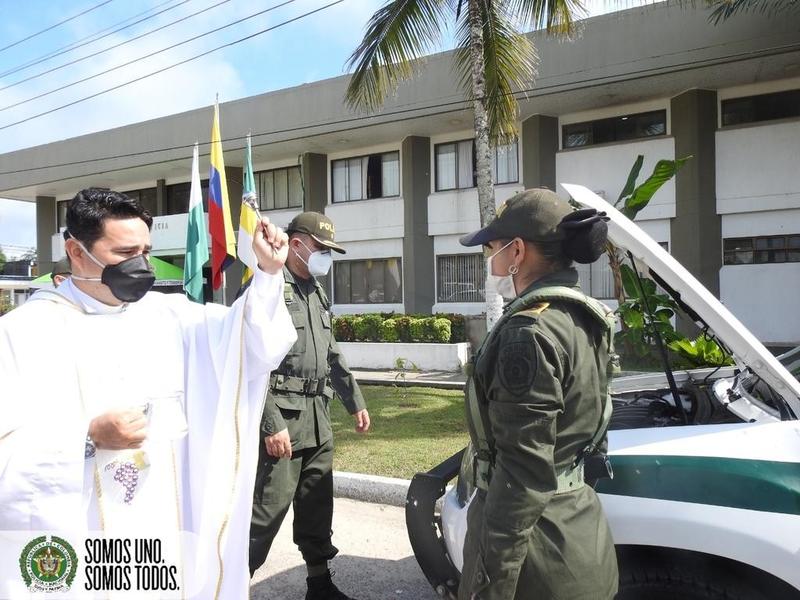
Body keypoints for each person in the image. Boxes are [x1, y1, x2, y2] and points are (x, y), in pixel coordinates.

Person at [0, 188, 297, 599]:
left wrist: (267, 272)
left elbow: (249, 345)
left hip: (161, 529)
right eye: (124, 253)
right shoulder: (24, 333)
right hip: (83, 538)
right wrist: (87, 439)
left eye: (146, 249)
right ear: (76, 250)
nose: (140, 264)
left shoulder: (168, 316)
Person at [457, 188, 619, 600]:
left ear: (517, 252)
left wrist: (489, 585)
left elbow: (521, 475)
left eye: (492, 247)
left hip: (538, 559)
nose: (489, 258)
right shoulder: (581, 315)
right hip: (578, 532)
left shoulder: (528, 333)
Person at [249, 211, 370, 600]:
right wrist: (270, 424)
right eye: (321, 249)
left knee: (317, 504)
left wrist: (355, 401)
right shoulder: (266, 288)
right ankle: (228, 584)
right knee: (265, 513)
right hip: (282, 418)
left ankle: (319, 584)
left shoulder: (315, 291)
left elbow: (332, 354)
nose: (325, 258)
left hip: (318, 416)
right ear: (296, 244)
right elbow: (248, 362)